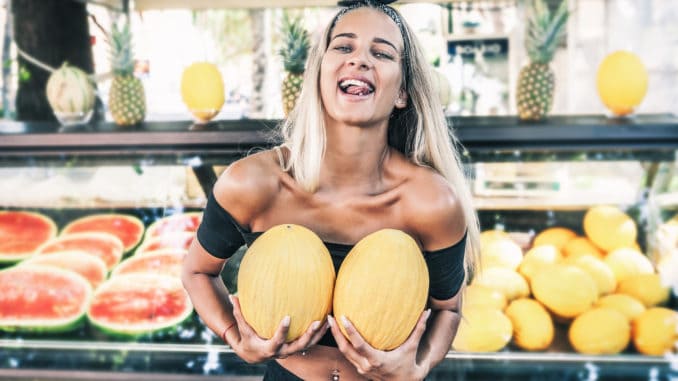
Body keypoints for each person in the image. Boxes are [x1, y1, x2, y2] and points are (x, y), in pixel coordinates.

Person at [181, 1, 480, 380]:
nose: (359, 60)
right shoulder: (254, 183)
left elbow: (448, 309)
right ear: (319, 73)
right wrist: (236, 337)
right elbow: (196, 272)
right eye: (343, 47)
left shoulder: (431, 202)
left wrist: (417, 367)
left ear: (402, 92)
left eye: (382, 53)